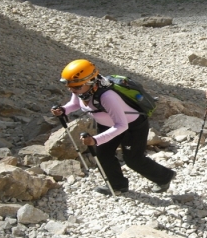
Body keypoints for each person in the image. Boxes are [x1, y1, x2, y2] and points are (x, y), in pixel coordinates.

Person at [52, 59, 176, 196]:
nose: (72, 90)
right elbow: (75, 104)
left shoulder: (107, 96)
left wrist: (96, 140)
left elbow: (122, 125)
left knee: (133, 160)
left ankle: (164, 177)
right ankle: (117, 186)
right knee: (103, 154)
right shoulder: (81, 89)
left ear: (90, 81)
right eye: (69, 86)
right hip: (107, 125)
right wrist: (63, 110)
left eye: (76, 87)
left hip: (133, 127)